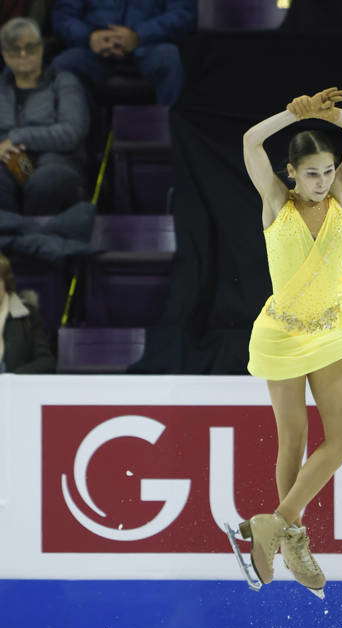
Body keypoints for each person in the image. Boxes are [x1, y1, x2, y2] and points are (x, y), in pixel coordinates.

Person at [239, 86, 342, 595]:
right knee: (294, 439)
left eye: (328, 171)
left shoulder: (340, 199)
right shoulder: (275, 204)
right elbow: (250, 140)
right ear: (292, 173)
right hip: (285, 336)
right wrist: (291, 114)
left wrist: (328, 114)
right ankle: (292, 536)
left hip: (330, 332)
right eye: (311, 173)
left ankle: (279, 524)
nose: (322, 180)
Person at [0, 17, 89, 215]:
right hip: (8, 162)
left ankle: (34, 240)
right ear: (4, 54)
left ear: (41, 49)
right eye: (15, 49)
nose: (23, 55)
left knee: (47, 180)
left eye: (30, 47)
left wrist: (17, 137)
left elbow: (71, 133)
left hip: (57, 161)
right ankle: (8, 240)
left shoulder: (64, 82)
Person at [50, 0, 196, 107]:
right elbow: (63, 16)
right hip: (94, 49)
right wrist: (89, 37)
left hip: (148, 47)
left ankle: (171, 138)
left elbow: (183, 15)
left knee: (169, 58)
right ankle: (75, 139)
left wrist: (139, 35)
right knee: (64, 64)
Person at [0, 253, 56, 372]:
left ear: (6, 282)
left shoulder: (27, 315)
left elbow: (46, 362)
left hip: (15, 388)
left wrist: (13, 378)